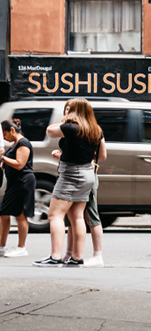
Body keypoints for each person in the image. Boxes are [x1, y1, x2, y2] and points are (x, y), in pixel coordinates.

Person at [35, 98, 106, 267]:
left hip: (70, 175)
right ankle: (76, 257)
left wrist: (66, 119)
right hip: (87, 173)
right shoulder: (95, 129)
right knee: (77, 217)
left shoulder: (71, 127)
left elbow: (50, 131)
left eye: (68, 109)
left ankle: (55, 256)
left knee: (54, 215)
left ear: (73, 110)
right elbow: (101, 156)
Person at [0, 119, 30, 258]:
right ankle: (2, 246)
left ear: (12, 130)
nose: (4, 138)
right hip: (14, 183)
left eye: (4, 134)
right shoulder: (15, 144)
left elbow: (19, 164)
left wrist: (2, 158)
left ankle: (21, 247)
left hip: (22, 181)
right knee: (4, 213)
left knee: (20, 215)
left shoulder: (23, 143)